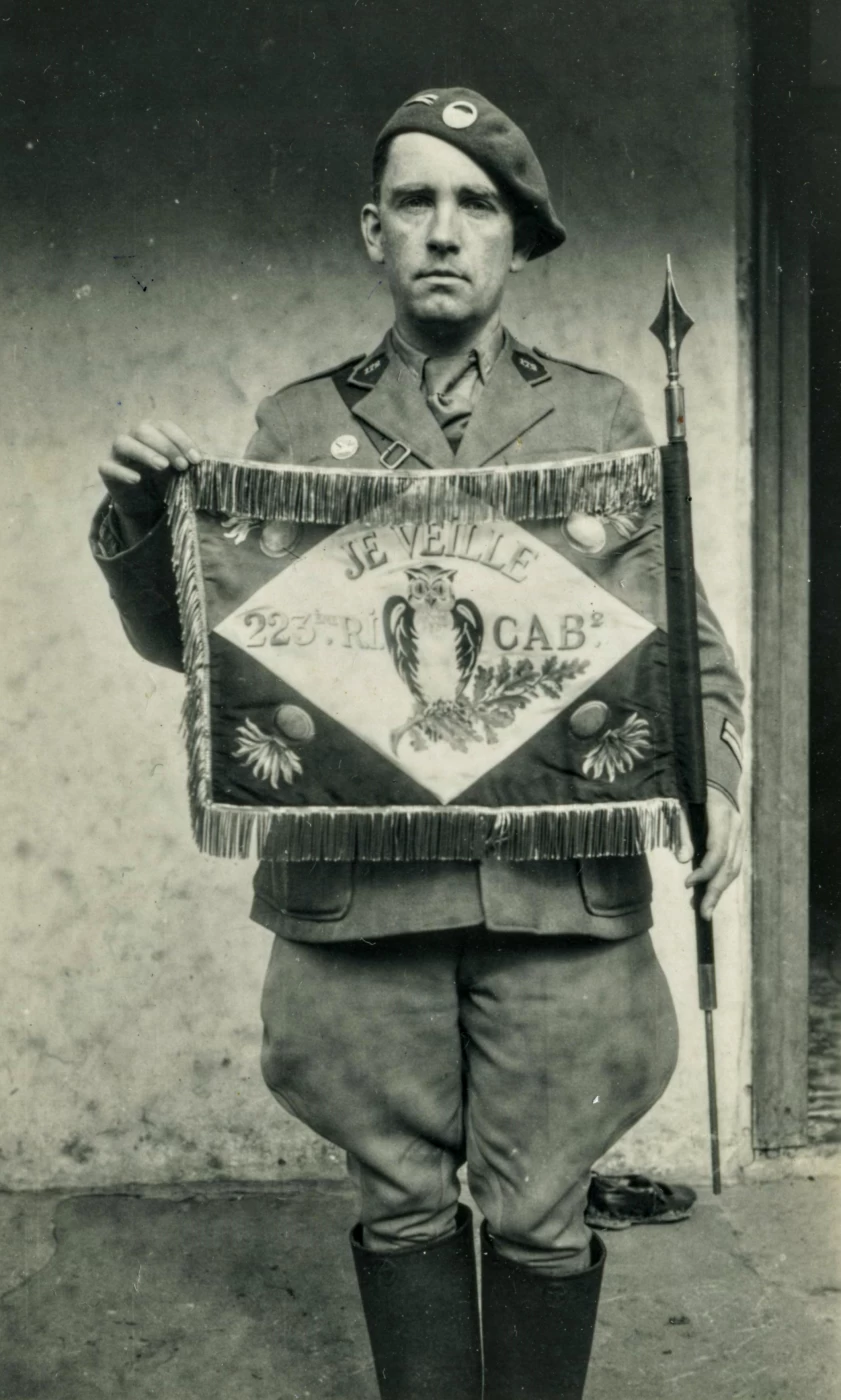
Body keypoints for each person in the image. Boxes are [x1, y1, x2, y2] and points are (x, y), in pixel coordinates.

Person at [91, 88, 744, 1400]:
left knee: (545, 1210)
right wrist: (135, 526)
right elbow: (212, 651)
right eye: (416, 201)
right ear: (371, 232)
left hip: (558, 904)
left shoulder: (603, 416)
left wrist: (718, 776)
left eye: (478, 205)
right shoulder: (292, 425)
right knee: (401, 1207)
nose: (445, 231)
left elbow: (686, 641)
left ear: (516, 241)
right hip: (362, 907)